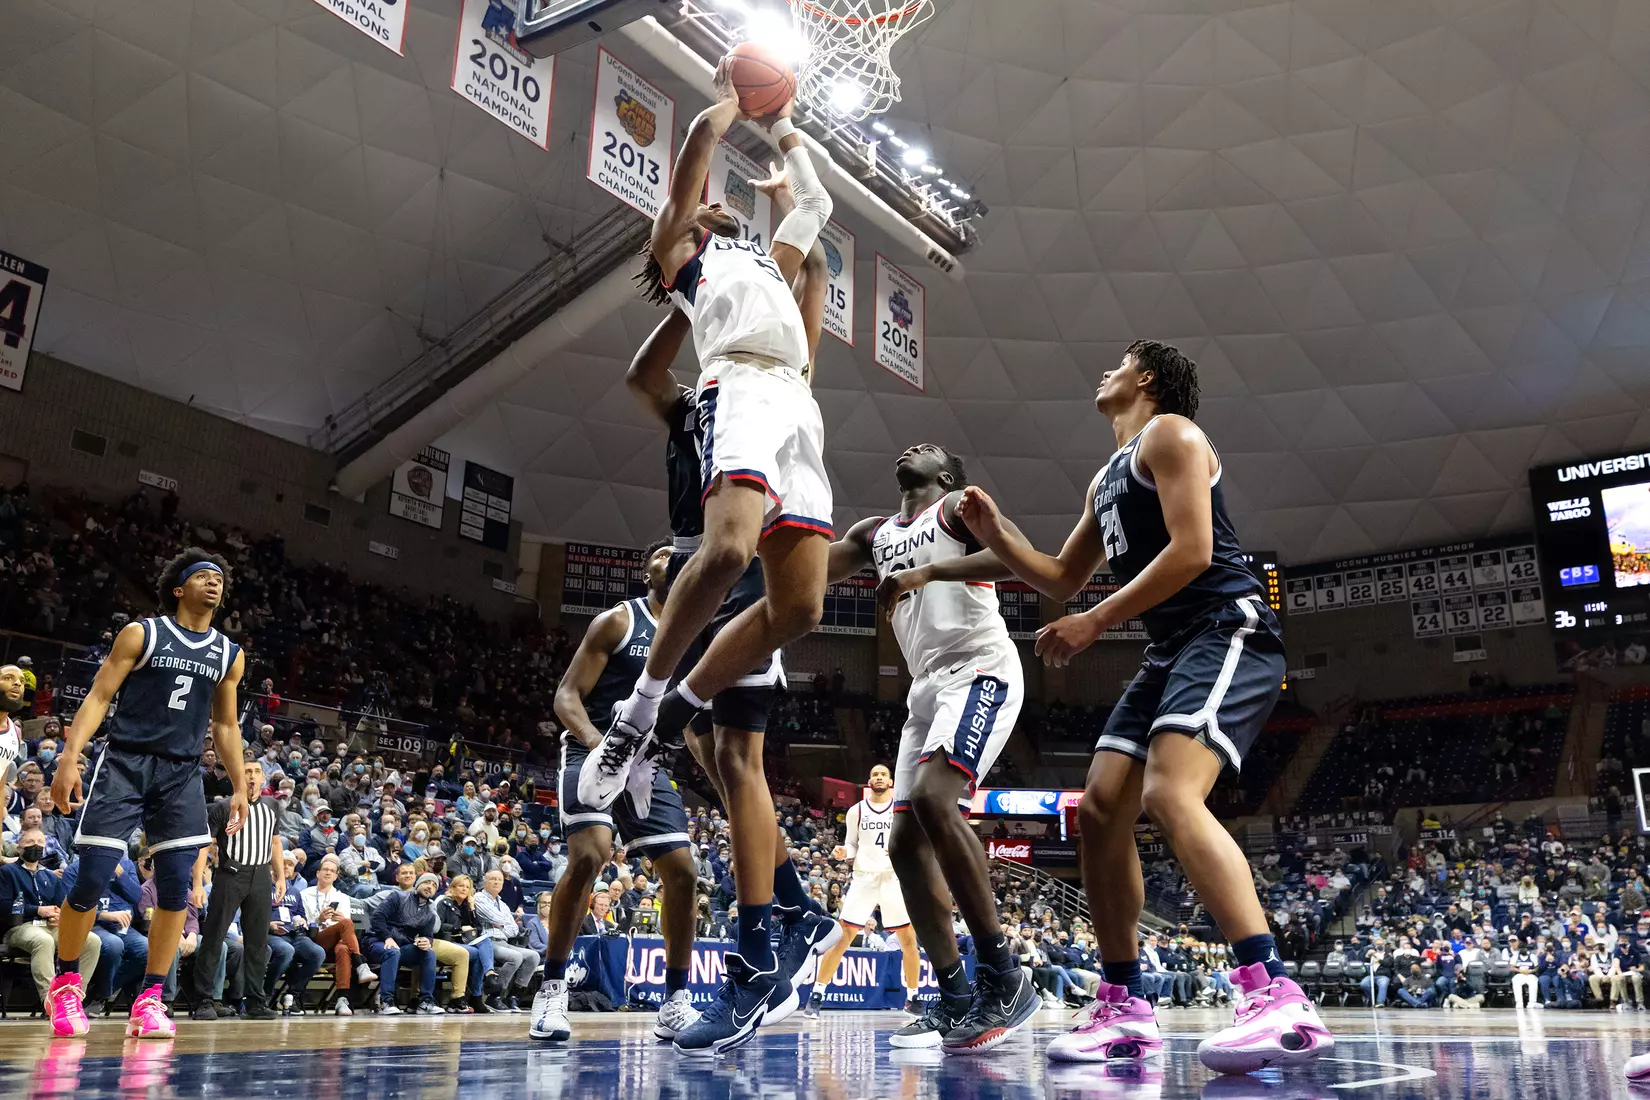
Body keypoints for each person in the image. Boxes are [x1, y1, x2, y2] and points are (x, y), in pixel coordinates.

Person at [957, 343, 1331, 1072]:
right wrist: (997, 534)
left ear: (1147, 380)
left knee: (1168, 792)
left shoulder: (1171, 434)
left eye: (1117, 362)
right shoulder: (1107, 476)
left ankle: (1274, 989)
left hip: (1227, 627)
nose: (1104, 371)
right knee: (1098, 811)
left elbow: (1192, 552)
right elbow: (1063, 578)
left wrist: (1097, 624)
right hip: (1169, 649)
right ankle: (1124, 1006)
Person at [574, 59, 836, 1057]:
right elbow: (683, 175)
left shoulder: (771, 260)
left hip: (799, 409)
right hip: (739, 388)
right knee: (725, 549)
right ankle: (644, 712)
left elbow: (815, 205)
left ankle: (662, 715)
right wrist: (729, 107)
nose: (716, 215)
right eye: (705, 219)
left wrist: (791, 137)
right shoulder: (693, 268)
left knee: (802, 608)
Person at [825, 445, 1039, 1053]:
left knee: (934, 801)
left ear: (946, 475)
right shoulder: (874, 533)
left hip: (980, 669)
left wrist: (930, 572)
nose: (911, 447)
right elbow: (811, 569)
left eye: (929, 448)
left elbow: (1019, 560)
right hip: (926, 689)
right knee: (902, 841)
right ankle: (953, 995)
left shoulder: (958, 507)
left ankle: (1004, 975)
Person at [49, 549, 249, 1039]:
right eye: (202, 576)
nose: (213, 583)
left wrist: (241, 785)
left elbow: (224, 725)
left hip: (181, 774)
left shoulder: (229, 653)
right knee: (92, 878)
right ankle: (67, 985)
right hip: (124, 763)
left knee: (178, 887)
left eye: (219, 579)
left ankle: (151, 999)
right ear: (179, 588)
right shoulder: (143, 632)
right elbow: (99, 696)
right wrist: (70, 757)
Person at [532, 544, 707, 1043]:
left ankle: (675, 1001)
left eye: (681, 552)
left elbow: (690, 718)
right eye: (662, 552)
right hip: (595, 748)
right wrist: (600, 746)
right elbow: (566, 696)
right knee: (591, 854)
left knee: (684, 872)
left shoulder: (696, 636)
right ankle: (551, 989)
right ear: (647, 569)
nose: (671, 556)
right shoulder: (617, 621)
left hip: (648, 763)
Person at [805, 766, 922, 1022]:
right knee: (843, 937)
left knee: (908, 939)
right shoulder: (856, 810)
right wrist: (842, 853)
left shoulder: (901, 809)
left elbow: (912, 841)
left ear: (890, 781)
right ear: (869, 781)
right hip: (864, 878)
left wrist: (903, 852)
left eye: (883, 774)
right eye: (875, 774)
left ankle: (913, 997)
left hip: (892, 878)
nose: (879, 777)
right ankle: (817, 993)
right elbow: (852, 844)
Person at [191, 760, 283, 1020]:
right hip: (230, 874)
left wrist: (280, 876)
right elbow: (204, 847)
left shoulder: (273, 806)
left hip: (261, 875)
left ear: (263, 779)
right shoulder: (223, 807)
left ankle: (254, 1002)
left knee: (257, 942)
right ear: (237, 778)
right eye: (246, 772)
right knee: (214, 937)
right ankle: (203, 1000)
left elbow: (275, 843)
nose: (252, 777)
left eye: (256, 772)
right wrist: (198, 883)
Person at [0, 827, 103, 1007]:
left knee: (92, 940)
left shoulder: (50, 876)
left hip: (50, 926)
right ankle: (52, 1001)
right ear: (19, 847)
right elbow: (4, 905)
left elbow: (61, 905)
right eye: (30, 843)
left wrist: (59, 916)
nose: (36, 846)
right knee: (44, 940)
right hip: (20, 927)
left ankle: (74, 997)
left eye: (40, 843)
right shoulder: (7, 872)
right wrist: (37, 910)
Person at [298, 855, 374, 1015]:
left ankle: (342, 1000)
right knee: (347, 924)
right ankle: (360, 963)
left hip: (338, 941)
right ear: (317, 873)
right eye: (325, 869)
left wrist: (339, 920)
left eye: (332, 871)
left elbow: (346, 929)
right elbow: (302, 923)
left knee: (343, 948)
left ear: (336, 875)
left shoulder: (342, 898)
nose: (328, 873)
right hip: (314, 939)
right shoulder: (304, 894)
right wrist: (319, 919)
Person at [365, 867, 442, 1015]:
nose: (430, 887)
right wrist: (387, 937)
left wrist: (427, 942)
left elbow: (428, 936)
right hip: (377, 941)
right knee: (392, 952)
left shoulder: (430, 913)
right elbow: (377, 917)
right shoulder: (398, 897)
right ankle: (386, 1001)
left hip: (402, 947)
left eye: (434, 885)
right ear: (417, 884)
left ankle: (425, 1001)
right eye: (426, 882)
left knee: (429, 954)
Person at [476, 869, 537, 1011]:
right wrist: (503, 922)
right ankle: (494, 995)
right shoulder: (479, 897)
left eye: (499, 880)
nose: (496, 882)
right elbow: (495, 918)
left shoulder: (502, 904)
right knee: (515, 957)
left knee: (533, 957)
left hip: (504, 941)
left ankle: (514, 996)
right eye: (493, 879)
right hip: (487, 941)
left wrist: (500, 924)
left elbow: (514, 929)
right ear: (485, 881)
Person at [434, 875, 491, 1013]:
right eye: (461, 886)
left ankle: (478, 991)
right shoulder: (444, 903)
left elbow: (478, 929)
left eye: (467, 887)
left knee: (486, 941)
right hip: (447, 941)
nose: (464, 889)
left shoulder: (466, 906)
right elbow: (438, 927)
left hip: (466, 942)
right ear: (452, 887)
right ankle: (477, 993)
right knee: (479, 954)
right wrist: (458, 929)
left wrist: (472, 908)